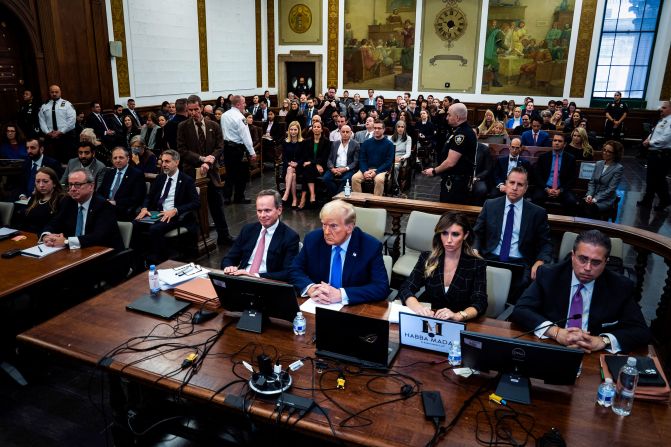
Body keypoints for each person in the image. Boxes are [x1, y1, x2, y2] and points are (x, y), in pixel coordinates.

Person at [510, 230, 651, 353]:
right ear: (573, 255)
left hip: (593, 355)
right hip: (551, 346)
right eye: (583, 259)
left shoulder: (620, 286)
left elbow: (641, 331)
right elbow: (521, 310)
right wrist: (556, 332)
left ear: (606, 262)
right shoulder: (549, 275)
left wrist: (602, 341)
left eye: (596, 262)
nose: (588, 268)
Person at [474, 167, 553, 301]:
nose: (515, 188)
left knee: (518, 295)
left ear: (526, 188)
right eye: (512, 183)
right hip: (490, 258)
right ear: (506, 183)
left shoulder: (537, 213)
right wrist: (475, 249)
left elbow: (545, 243)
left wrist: (540, 261)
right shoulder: (490, 205)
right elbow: (476, 233)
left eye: (520, 184)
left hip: (520, 264)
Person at [290, 200, 389, 305]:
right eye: (324, 224)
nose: (326, 232)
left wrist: (341, 294)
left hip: (353, 309)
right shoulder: (313, 239)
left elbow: (381, 287)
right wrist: (310, 288)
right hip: (317, 304)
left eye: (333, 226)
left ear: (349, 227)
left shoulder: (370, 246)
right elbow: (295, 269)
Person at [398, 212, 487, 320]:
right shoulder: (427, 258)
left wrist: (459, 315)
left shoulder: (476, 264)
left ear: (465, 235)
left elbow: (480, 301)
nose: (449, 240)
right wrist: (418, 308)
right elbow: (406, 288)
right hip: (429, 318)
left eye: (455, 234)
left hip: (459, 322)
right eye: (444, 233)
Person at [176, 94, 233, 244]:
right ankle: (199, 239)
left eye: (196, 109)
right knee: (196, 207)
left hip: (211, 171)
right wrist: (201, 159)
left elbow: (220, 146)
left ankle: (224, 235)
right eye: (190, 110)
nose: (193, 113)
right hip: (192, 173)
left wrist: (210, 160)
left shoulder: (213, 125)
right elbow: (182, 150)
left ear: (201, 108)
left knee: (217, 205)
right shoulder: (183, 127)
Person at [133, 150, 200, 265]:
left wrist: (175, 210)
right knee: (135, 224)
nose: (163, 164)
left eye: (167, 161)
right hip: (157, 213)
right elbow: (149, 197)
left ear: (177, 162)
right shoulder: (160, 178)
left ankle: (161, 262)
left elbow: (196, 203)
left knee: (155, 229)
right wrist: (144, 208)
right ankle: (139, 261)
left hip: (175, 216)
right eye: (162, 161)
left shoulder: (186, 180)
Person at [221, 190, 299, 282]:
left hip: (267, 283)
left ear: (279, 210)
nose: (262, 215)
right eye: (259, 211)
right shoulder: (248, 230)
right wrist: (229, 267)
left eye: (267, 210)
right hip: (242, 279)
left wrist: (255, 276)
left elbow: (288, 273)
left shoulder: (290, 237)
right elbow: (229, 258)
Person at [42, 168, 123, 251]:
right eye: (70, 185)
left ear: (91, 186)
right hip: (76, 251)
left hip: (103, 253)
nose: (72, 189)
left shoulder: (104, 206)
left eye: (77, 185)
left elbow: (98, 237)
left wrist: (67, 242)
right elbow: (55, 222)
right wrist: (47, 235)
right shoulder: (68, 201)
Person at [421, 103, 477, 204]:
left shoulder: (462, 134)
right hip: (454, 180)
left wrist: (434, 171)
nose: (447, 118)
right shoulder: (459, 131)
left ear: (457, 117)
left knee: (450, 214)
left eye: (449, 115)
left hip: (456, 183)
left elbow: (451, 162)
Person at [222, 95, 257, 204]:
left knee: (229, 173)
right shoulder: (240, 118)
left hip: (227, 147)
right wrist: (252, 152)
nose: (245, 104)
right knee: (241, 174)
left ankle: (226, 197)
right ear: (238, 104)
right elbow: (245, 136)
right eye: (244, 102)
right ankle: (239, 197)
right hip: (237, 148)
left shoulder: (224, 115)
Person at [638, 100, 671, 211]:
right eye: (661, 107)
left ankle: (665, 200)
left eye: (664, 107)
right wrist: (648, 139)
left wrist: (650, 143)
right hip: (654, 154)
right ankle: (648, 200)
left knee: (659, 180)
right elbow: (653, 133)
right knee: (651, 179)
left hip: (662, 155)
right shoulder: (662, 121)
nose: (661, 109)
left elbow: (666, 138)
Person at [98, 147, 146, 221]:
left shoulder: (136, 174)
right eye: (115, 158)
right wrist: (105, 201)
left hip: (123, 209)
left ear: (128, 158)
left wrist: (116, 202)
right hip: (105, 206)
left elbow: (137, 198)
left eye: (121, 157)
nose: (118, 160)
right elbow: (100, 192)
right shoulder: (109, 173)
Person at [532, 133, 577, 211]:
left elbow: (572, 178)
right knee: (536, 198)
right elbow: (537, 176)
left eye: (560, 141)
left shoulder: (570, 158)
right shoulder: (543, 157)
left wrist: (561, 190)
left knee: (571, 201)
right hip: (545, 187)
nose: (556, 143)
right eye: (555, 140)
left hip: (562, 189)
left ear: (565, 144)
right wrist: (546, 189)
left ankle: (565, 222)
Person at [581, 140, 624, 219]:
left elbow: (611, 189)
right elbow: (592, 182)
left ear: (615, 154)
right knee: (580, 204)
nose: (605, 153)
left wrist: (596, 199)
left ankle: (591, 229)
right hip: (593, 196)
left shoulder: (618, 168)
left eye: (609, 151)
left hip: (605, 200)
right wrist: (589, 195)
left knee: (590, 208)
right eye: (604, 150)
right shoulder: (599, 163)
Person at [352, 119, 394, 196]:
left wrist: (376, 172)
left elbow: (388, 162)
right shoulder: (366, 143)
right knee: (355, 178)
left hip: (382, 170)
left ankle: (376, 202)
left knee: (379, 180)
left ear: (384, 130)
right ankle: (359, 201)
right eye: (375, 128)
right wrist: (365, 171)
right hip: (367, 169)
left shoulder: (389, 144)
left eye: (379, 128)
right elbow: (362, 159)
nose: (376, 130)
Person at [19, 167, 66, 234]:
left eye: (45, 181)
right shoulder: (34, 197)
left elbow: (57, 224)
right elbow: (24, 219)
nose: (41, 185)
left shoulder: (62, 199)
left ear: (54, 183)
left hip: (47, 238)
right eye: (38, 181)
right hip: (27, 235)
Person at [38, 84, 76, 163]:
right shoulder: (44, 106)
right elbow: (42, 121)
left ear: (60, 92)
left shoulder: (67, 104)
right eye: (52, 92)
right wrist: (47, 132)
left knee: (68, 161)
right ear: (49, 93)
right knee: (53, 161)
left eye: (56, 92)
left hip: (66, 137)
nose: (54, 94)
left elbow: (72, 120)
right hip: (50, 138)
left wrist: (61, 131)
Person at [323, 124, 359, 197]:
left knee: (346, 179)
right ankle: (336, 197)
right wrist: (332, 168)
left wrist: (345, 169)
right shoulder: (335, 143)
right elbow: (330, 159)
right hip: (335, 168)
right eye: (343, 132)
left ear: (350, 133)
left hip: (347, 169)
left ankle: (336, 198)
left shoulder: (355, 144)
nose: (345, 134)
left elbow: (355, 162)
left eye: (347, 132)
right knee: (326, 178)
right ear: (340, 132)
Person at [300, 120, 330, 208]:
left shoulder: (326, 142)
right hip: (312, 166)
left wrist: (314, 163)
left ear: (321, 130)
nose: (316, 128)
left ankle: (303, 198)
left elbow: (325, 157)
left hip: (321, 167)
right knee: (307, 169)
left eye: (318, 127)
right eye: (315, 127)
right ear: (312, 129)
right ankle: (312, 195)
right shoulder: (307, 141)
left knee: (307, 170)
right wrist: (314, 163)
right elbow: (306, 156)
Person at [280, 121, 304, 209]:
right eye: (291, 130)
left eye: (295, 130)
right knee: (292, 173)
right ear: (289, 131)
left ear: (298, 130)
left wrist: (297, 163)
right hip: (287, 167)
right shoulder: (285, 142)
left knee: (291, 170)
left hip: (299, 167)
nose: (293, 132)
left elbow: (304, 157)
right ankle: (294, 199)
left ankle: (286, 194)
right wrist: (289, 163)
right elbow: (284, 157)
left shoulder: (302, 142)